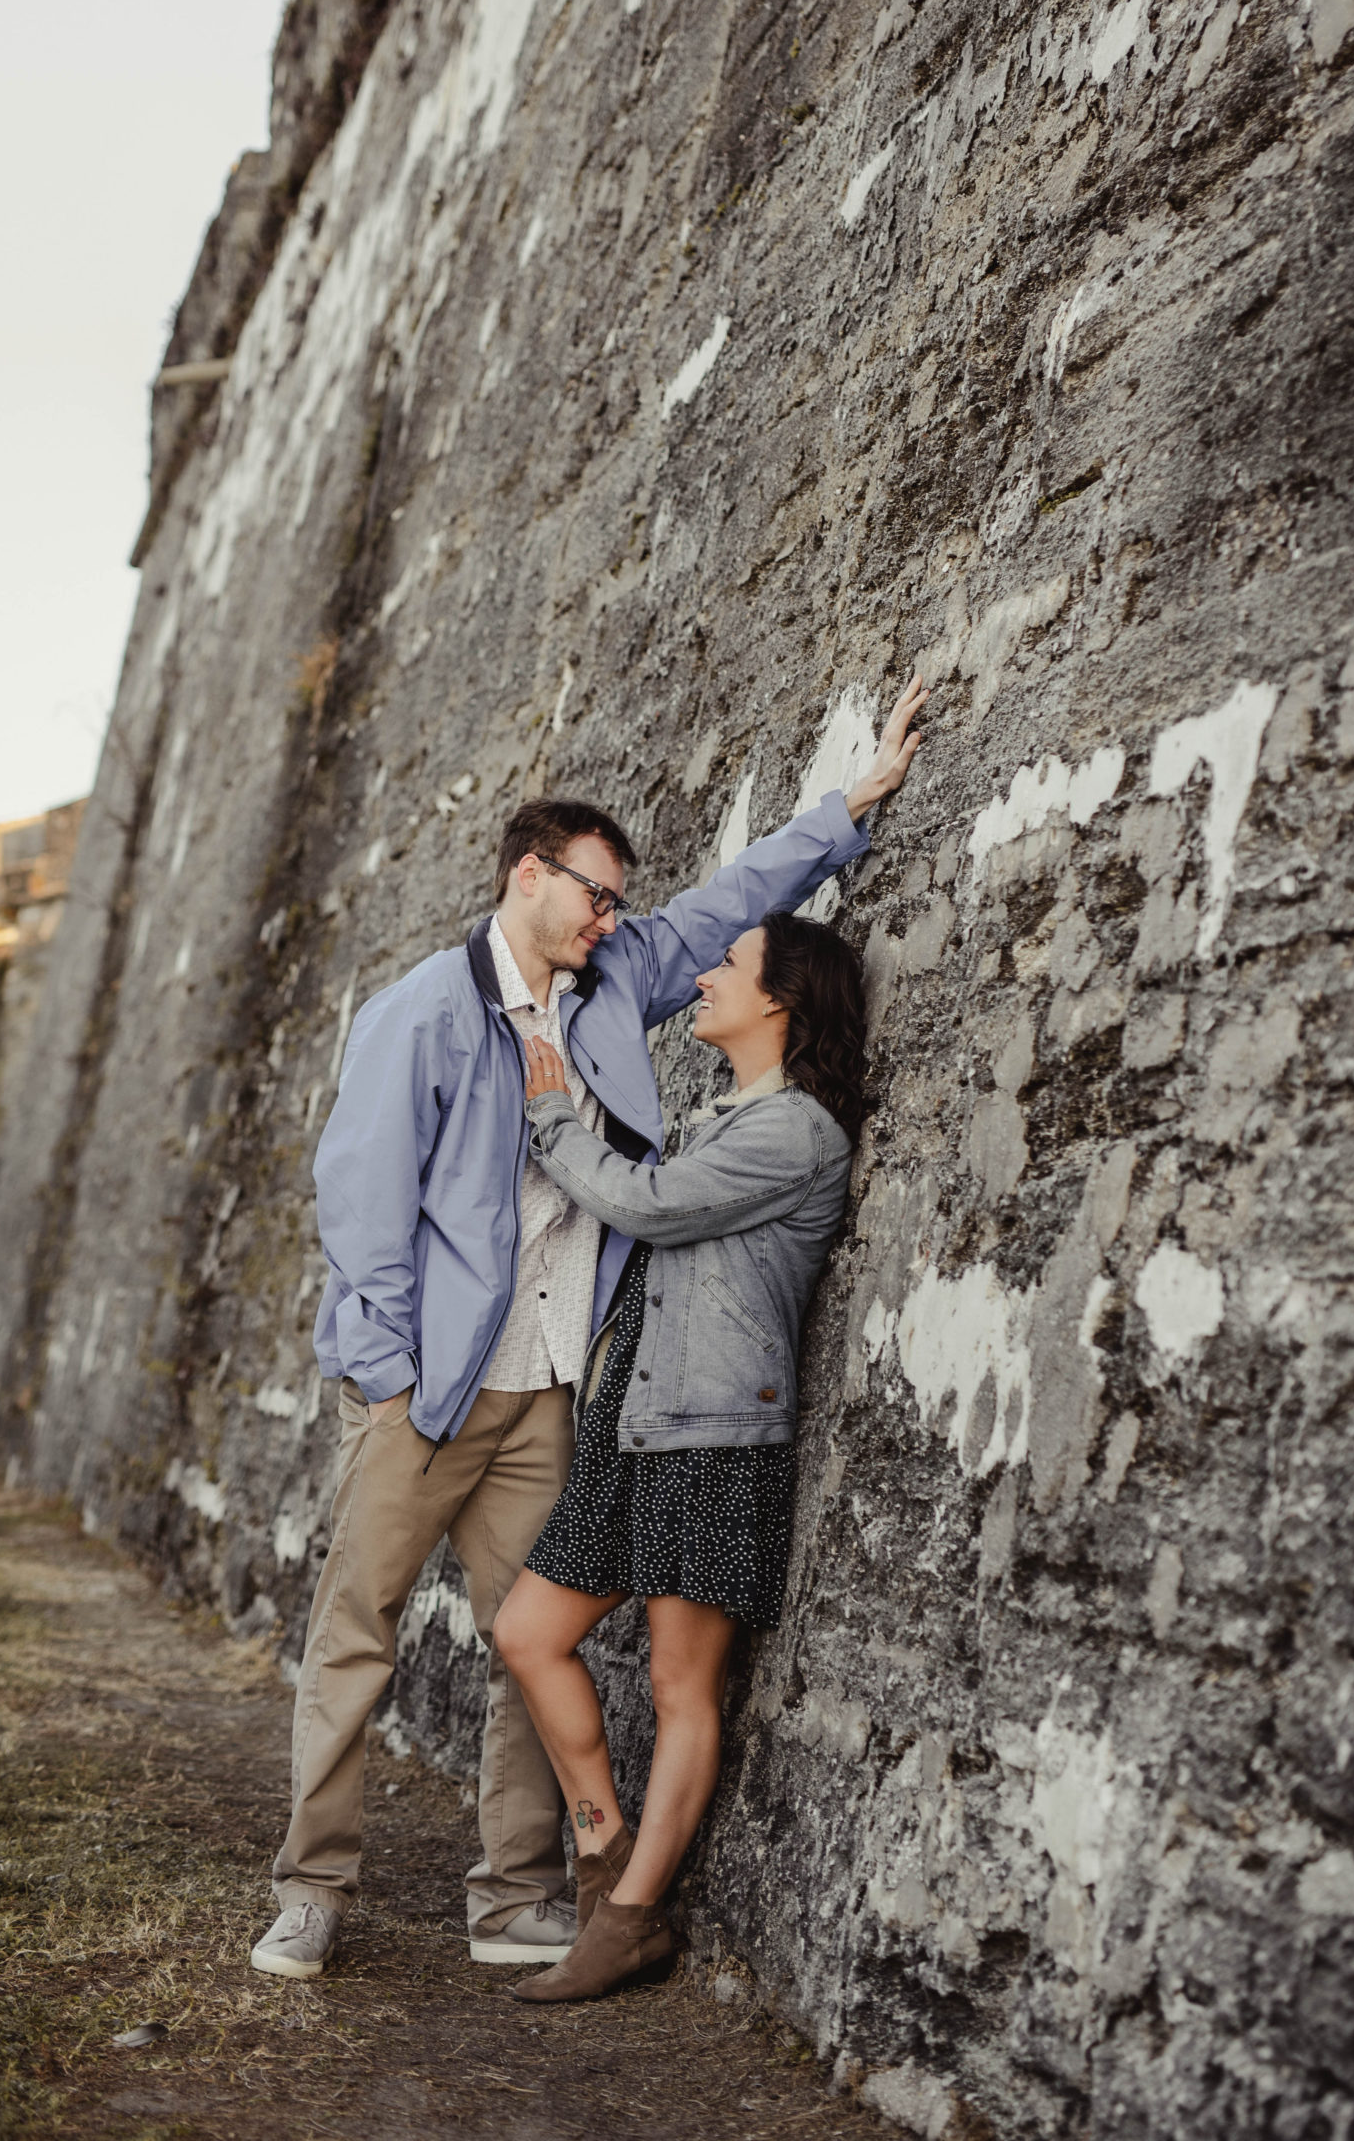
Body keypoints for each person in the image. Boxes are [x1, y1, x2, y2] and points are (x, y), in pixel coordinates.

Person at [250, 675, 929, 1982]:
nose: (614, 917)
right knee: (356, 1633)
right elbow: (361, 1207)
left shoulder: (615, 983)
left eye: (619, 902)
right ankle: (310, 1891)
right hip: (426, 1391)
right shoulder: (419, 1016)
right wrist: (386, 1374)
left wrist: (846, 807)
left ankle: (513, 1897)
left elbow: (735, 904)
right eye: (595, 893)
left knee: (527, 1644)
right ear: (526, 876)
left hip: (553, 1381)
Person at [492, 814, 922, 2003]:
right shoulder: (732, 1116)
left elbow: (649, 1205)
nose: (703, 975)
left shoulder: (790, 1131)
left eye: (725, 967)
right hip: (640, 1425)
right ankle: (602, 1843)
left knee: (685, 1690)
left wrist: (548, 1115)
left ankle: (628, 1921)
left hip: (715, 1438)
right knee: (529, 1632)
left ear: (777, 1003)